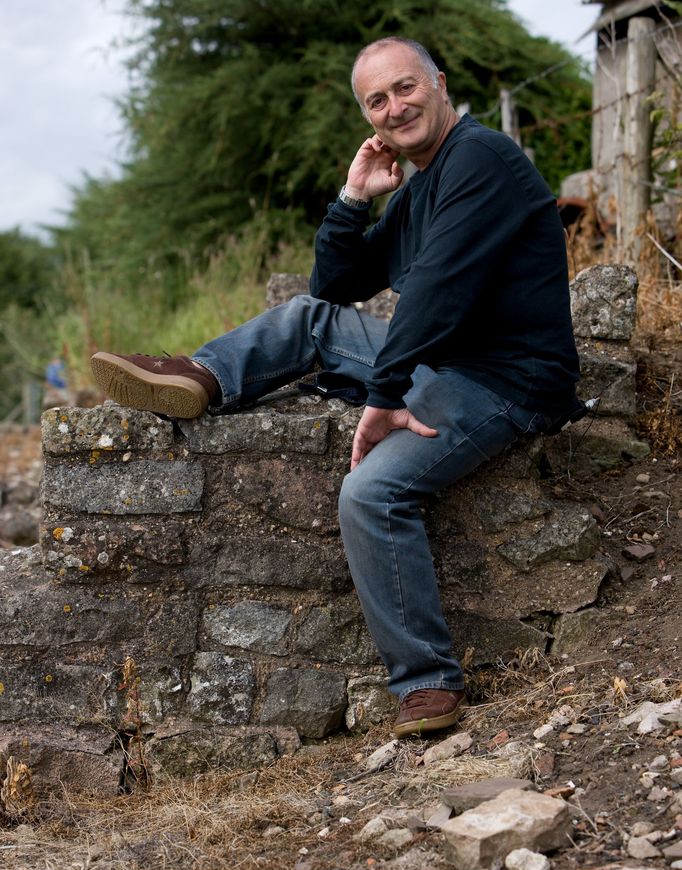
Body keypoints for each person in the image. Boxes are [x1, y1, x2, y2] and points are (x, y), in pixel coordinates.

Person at [91, 37, 580, 739]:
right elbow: (336, 287)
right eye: (376, 101)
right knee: (306, 318)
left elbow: (435, 295)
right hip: (449, 361)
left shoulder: (481, 159)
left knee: (371, 492)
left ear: (439, 84)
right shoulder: (419, 185)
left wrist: (385, 396)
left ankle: (428, 682)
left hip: (506, 381)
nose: (394, 108)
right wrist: (354, 200)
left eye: (405, 88)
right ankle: (201, 375)